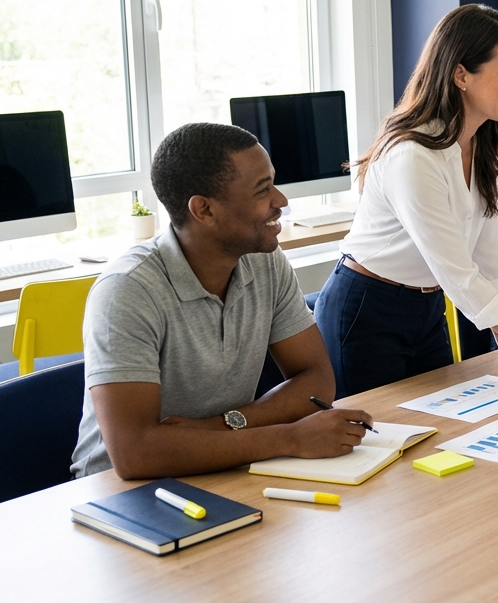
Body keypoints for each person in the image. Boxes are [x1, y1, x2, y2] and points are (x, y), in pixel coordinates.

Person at [313, 4, 498, 401]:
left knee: (439, 424)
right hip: (366, 309)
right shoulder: (413, 156)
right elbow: (459, 275)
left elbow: (488, 263)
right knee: (382, 431)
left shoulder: (483, 148)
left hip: (426, 307)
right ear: (461, 75)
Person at [71, 123, 372, 479]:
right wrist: (290, 438)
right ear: (204, 210)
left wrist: (221, 426)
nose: (281, 201)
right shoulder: (127, 291)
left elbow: (317, 380)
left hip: (223, 464)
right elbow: (134, 455)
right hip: (121, 488)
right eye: (262, 190)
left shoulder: (264, 260)